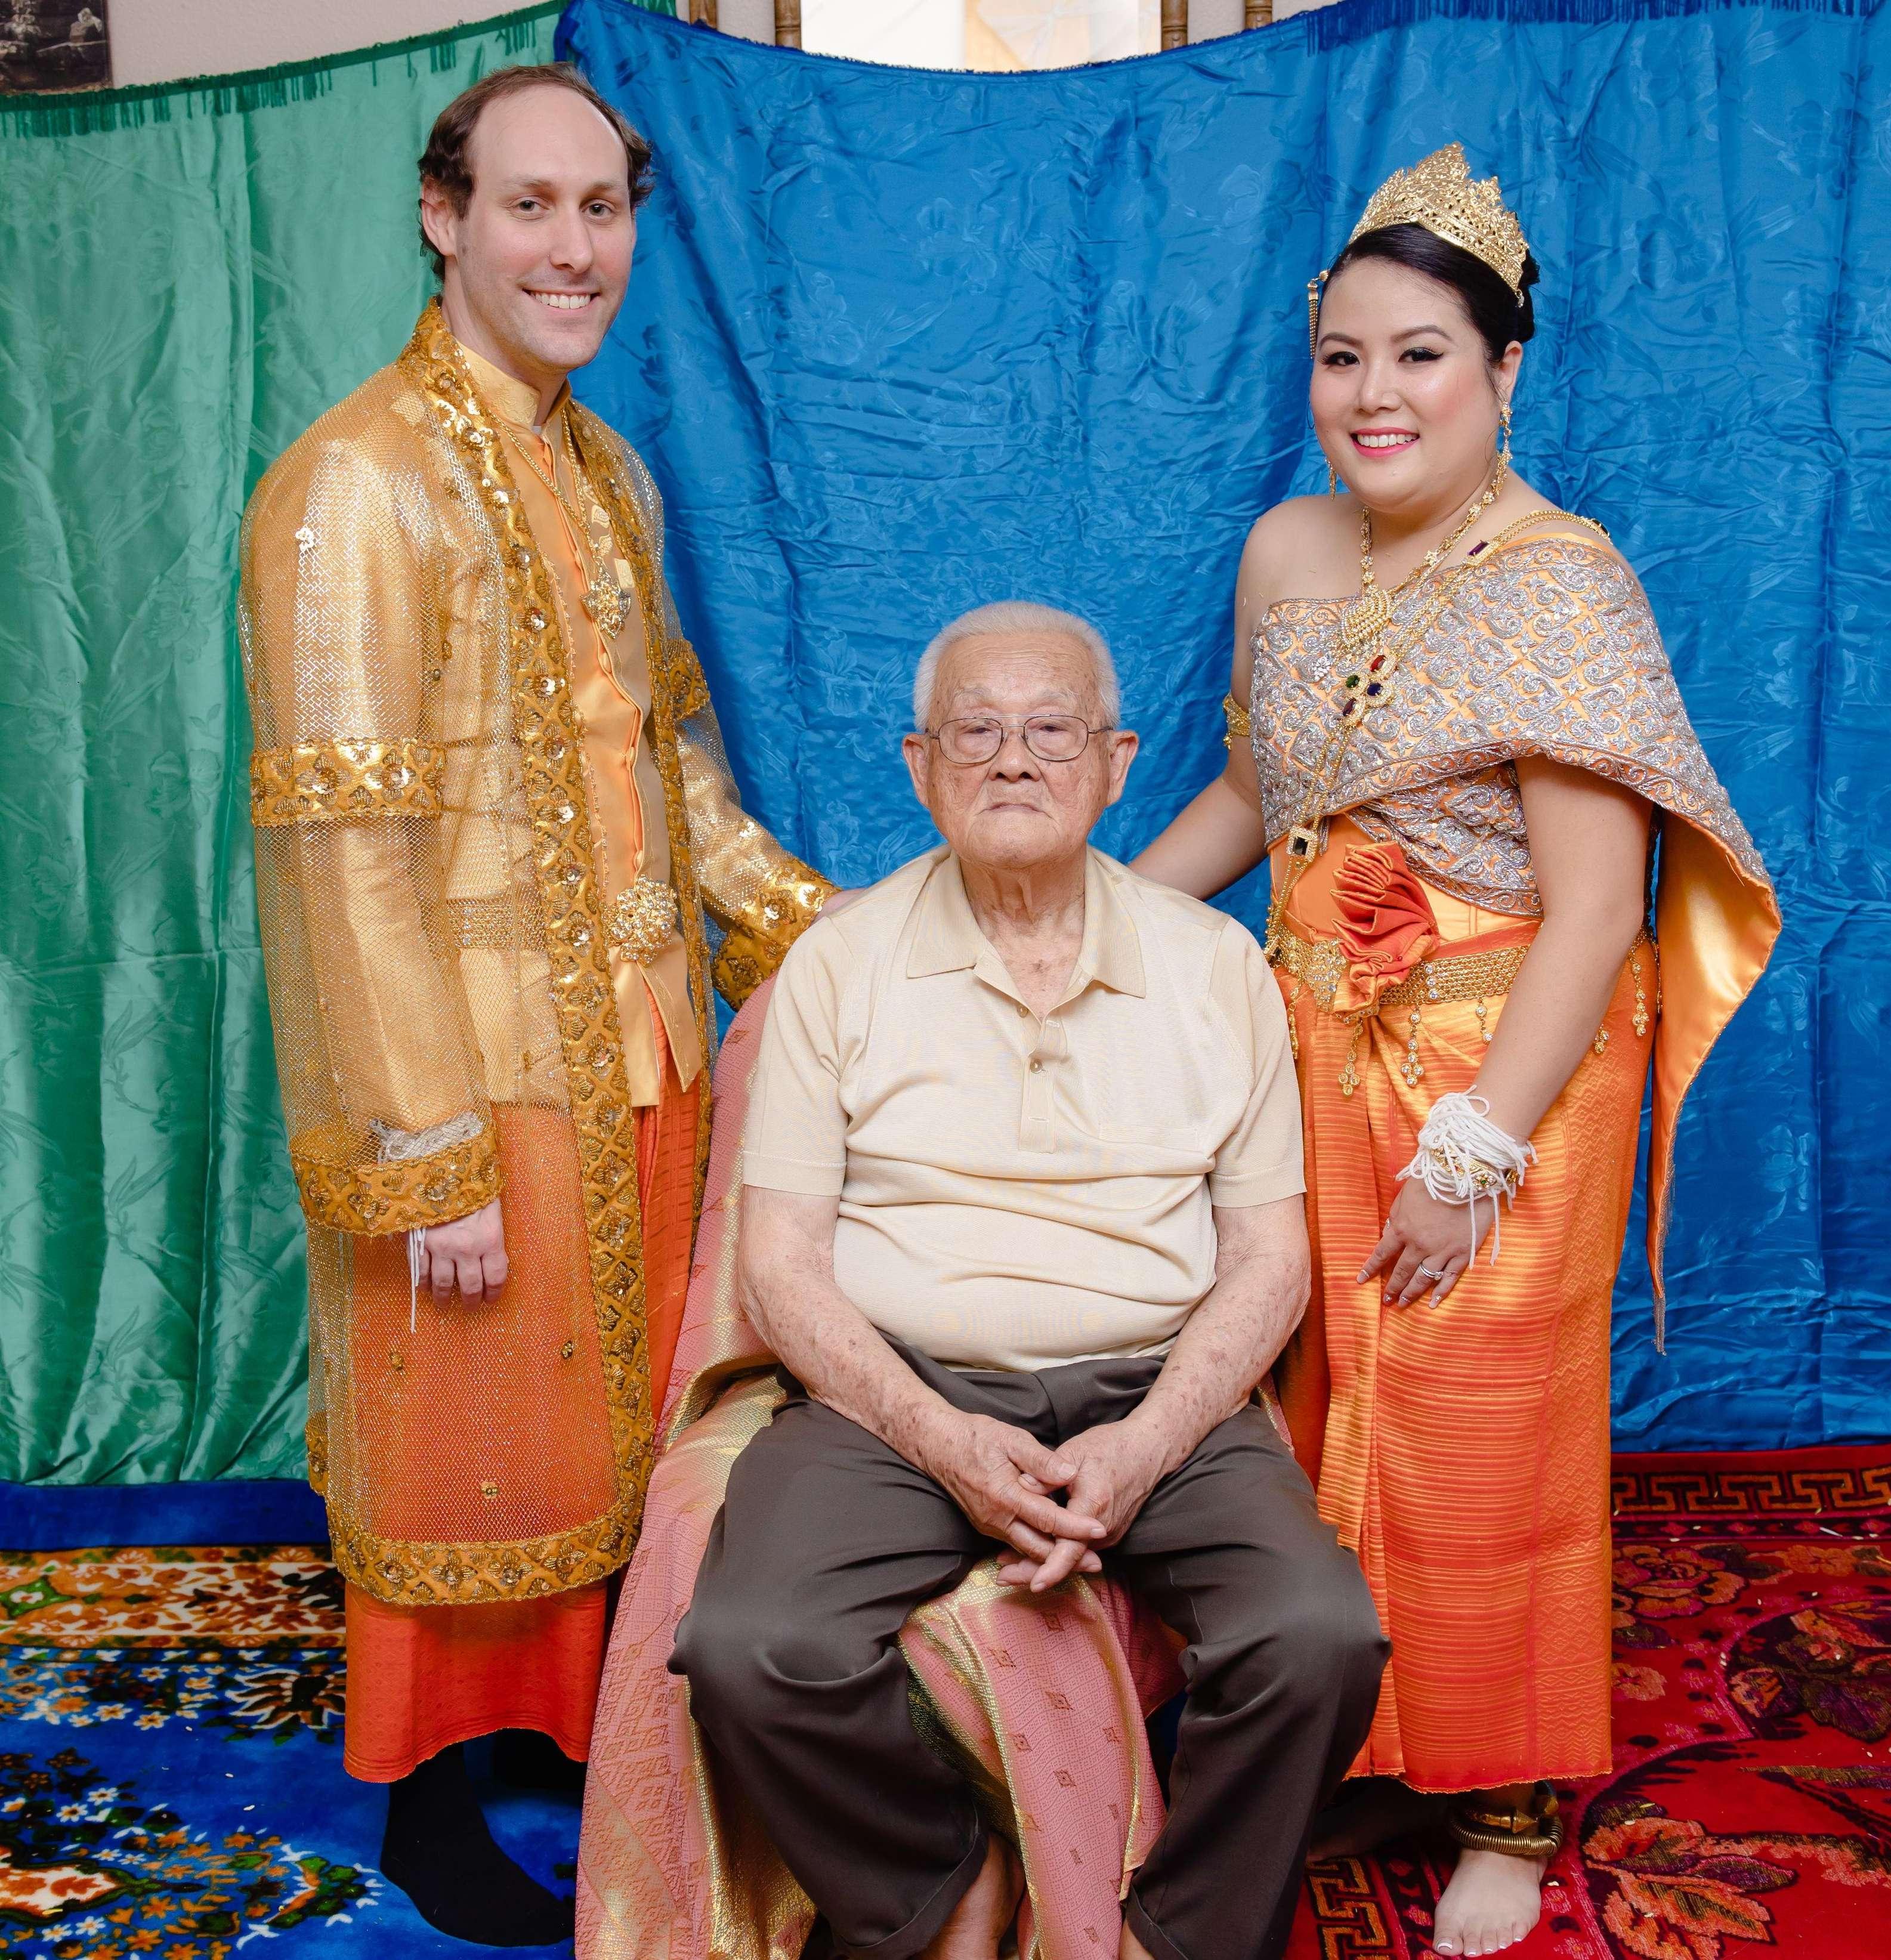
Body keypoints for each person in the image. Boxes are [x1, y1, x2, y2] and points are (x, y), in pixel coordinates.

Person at [1133, 145, 1779, 1959]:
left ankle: (1501, 1785)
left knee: (1473, 1420)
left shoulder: (1560, 582)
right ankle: (1350, 1724)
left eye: (1420, 355)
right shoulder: (1283, 547)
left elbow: (1595, 909)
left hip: (1505, 1072)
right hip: (1308, 1042)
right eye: (1341, 356)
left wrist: (1472, 1147)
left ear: (1502, 375)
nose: (1373, 395)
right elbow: (1268, 790)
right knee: (1316, 1392)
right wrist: (1089, 924)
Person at [236, 64, 833, 1947]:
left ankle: (588, 1731)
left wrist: (830, 935)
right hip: (472, 1072)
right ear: (443, 214)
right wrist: (424, 1149)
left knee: (616, 1437)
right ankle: (421, 1796)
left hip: (637, 1043)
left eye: (602, 210)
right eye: (530, 206)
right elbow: (344, 851)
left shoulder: (607, 470)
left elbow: (676, 766)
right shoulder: (353, 483)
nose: (573, 249)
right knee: (461, 1443)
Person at [658, 601, 1386, 1960]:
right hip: (897, 1385)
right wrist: (937, 1436)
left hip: (1161, 1388)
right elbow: (780, 1262)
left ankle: (1180, 1936)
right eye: (973, 732)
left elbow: (1270, 1259)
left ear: (1115, 761)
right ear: (917, 764)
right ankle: (936, 1893)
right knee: (751, 1644)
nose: (1011, 760)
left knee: (1318, 1633)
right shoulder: (838, 964)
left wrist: (1154, 1434)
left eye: (1049, 730)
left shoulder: (1213, 964)